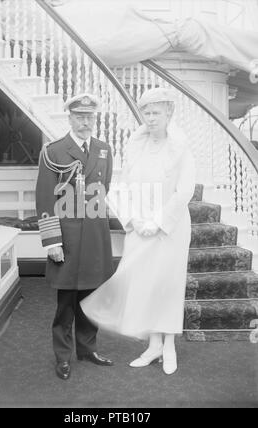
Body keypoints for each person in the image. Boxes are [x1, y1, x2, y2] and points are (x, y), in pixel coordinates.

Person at [81, 88, 196, 375]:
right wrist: (133, 219)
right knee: (143, 284)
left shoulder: (181, 146)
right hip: (139, 228)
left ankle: (168, 345)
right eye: (146, 112)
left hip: (169, 228)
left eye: (156, 112)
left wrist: (156, 222)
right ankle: (153, 345)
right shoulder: (136, 145)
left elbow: (184, 192)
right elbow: (122, 187)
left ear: (169, 113)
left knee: (166, 286)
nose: (151, 117)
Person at [35, 93, 114, 380]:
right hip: (66, 241)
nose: (85, 122)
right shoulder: (53, 151)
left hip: (94, 238)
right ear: (69, 118)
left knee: (91, 298)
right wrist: (52, 241)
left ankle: (87, 349)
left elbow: (103, 190)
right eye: (80, 116)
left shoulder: (104, 149)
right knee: (65, 304)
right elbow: (45, 199)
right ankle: (63, 356)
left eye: (89, 116)